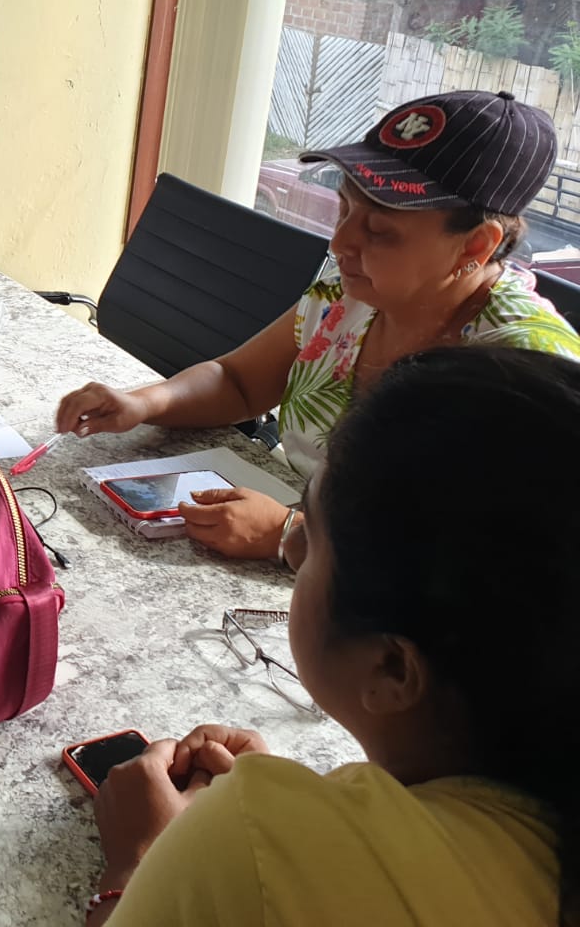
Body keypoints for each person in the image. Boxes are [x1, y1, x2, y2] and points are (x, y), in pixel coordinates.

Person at [82, 346, 573, 926]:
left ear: (392, 669)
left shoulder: (251, 846)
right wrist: (299, 823)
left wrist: (141, 863)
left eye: (310, 536)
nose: (290, 549)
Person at [55, 90, 580, 563]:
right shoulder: (348, 298)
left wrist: (292, 536)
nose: (340, 242)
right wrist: (144, 403)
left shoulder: (528, 372)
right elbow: (239, 382)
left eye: (380, 230)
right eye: (344, 208)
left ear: (475, 246)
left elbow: (496, 564)